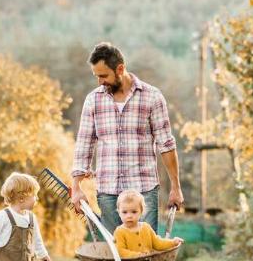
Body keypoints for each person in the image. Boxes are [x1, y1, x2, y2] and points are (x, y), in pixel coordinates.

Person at [70, 42, 184, 236]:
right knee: (115, 255)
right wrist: (76, 188)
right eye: (96, 76)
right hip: (108, 191)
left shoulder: (152, 97)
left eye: (104, 75)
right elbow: (84, 145)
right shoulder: (93, 100)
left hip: (144, 191)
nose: (99, 81)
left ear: (120, 68)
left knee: (146, 253)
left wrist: (176, 187)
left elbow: (166, 145)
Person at [113, 189, 183, 258]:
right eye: (124, 212)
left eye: (134, 212)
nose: (129, 216)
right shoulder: (119, 232)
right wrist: (137, 255)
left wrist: (173, 242)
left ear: (141, 211)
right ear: (119, 213)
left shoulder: (146, 227)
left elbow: (157, 243)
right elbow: (120, 251)